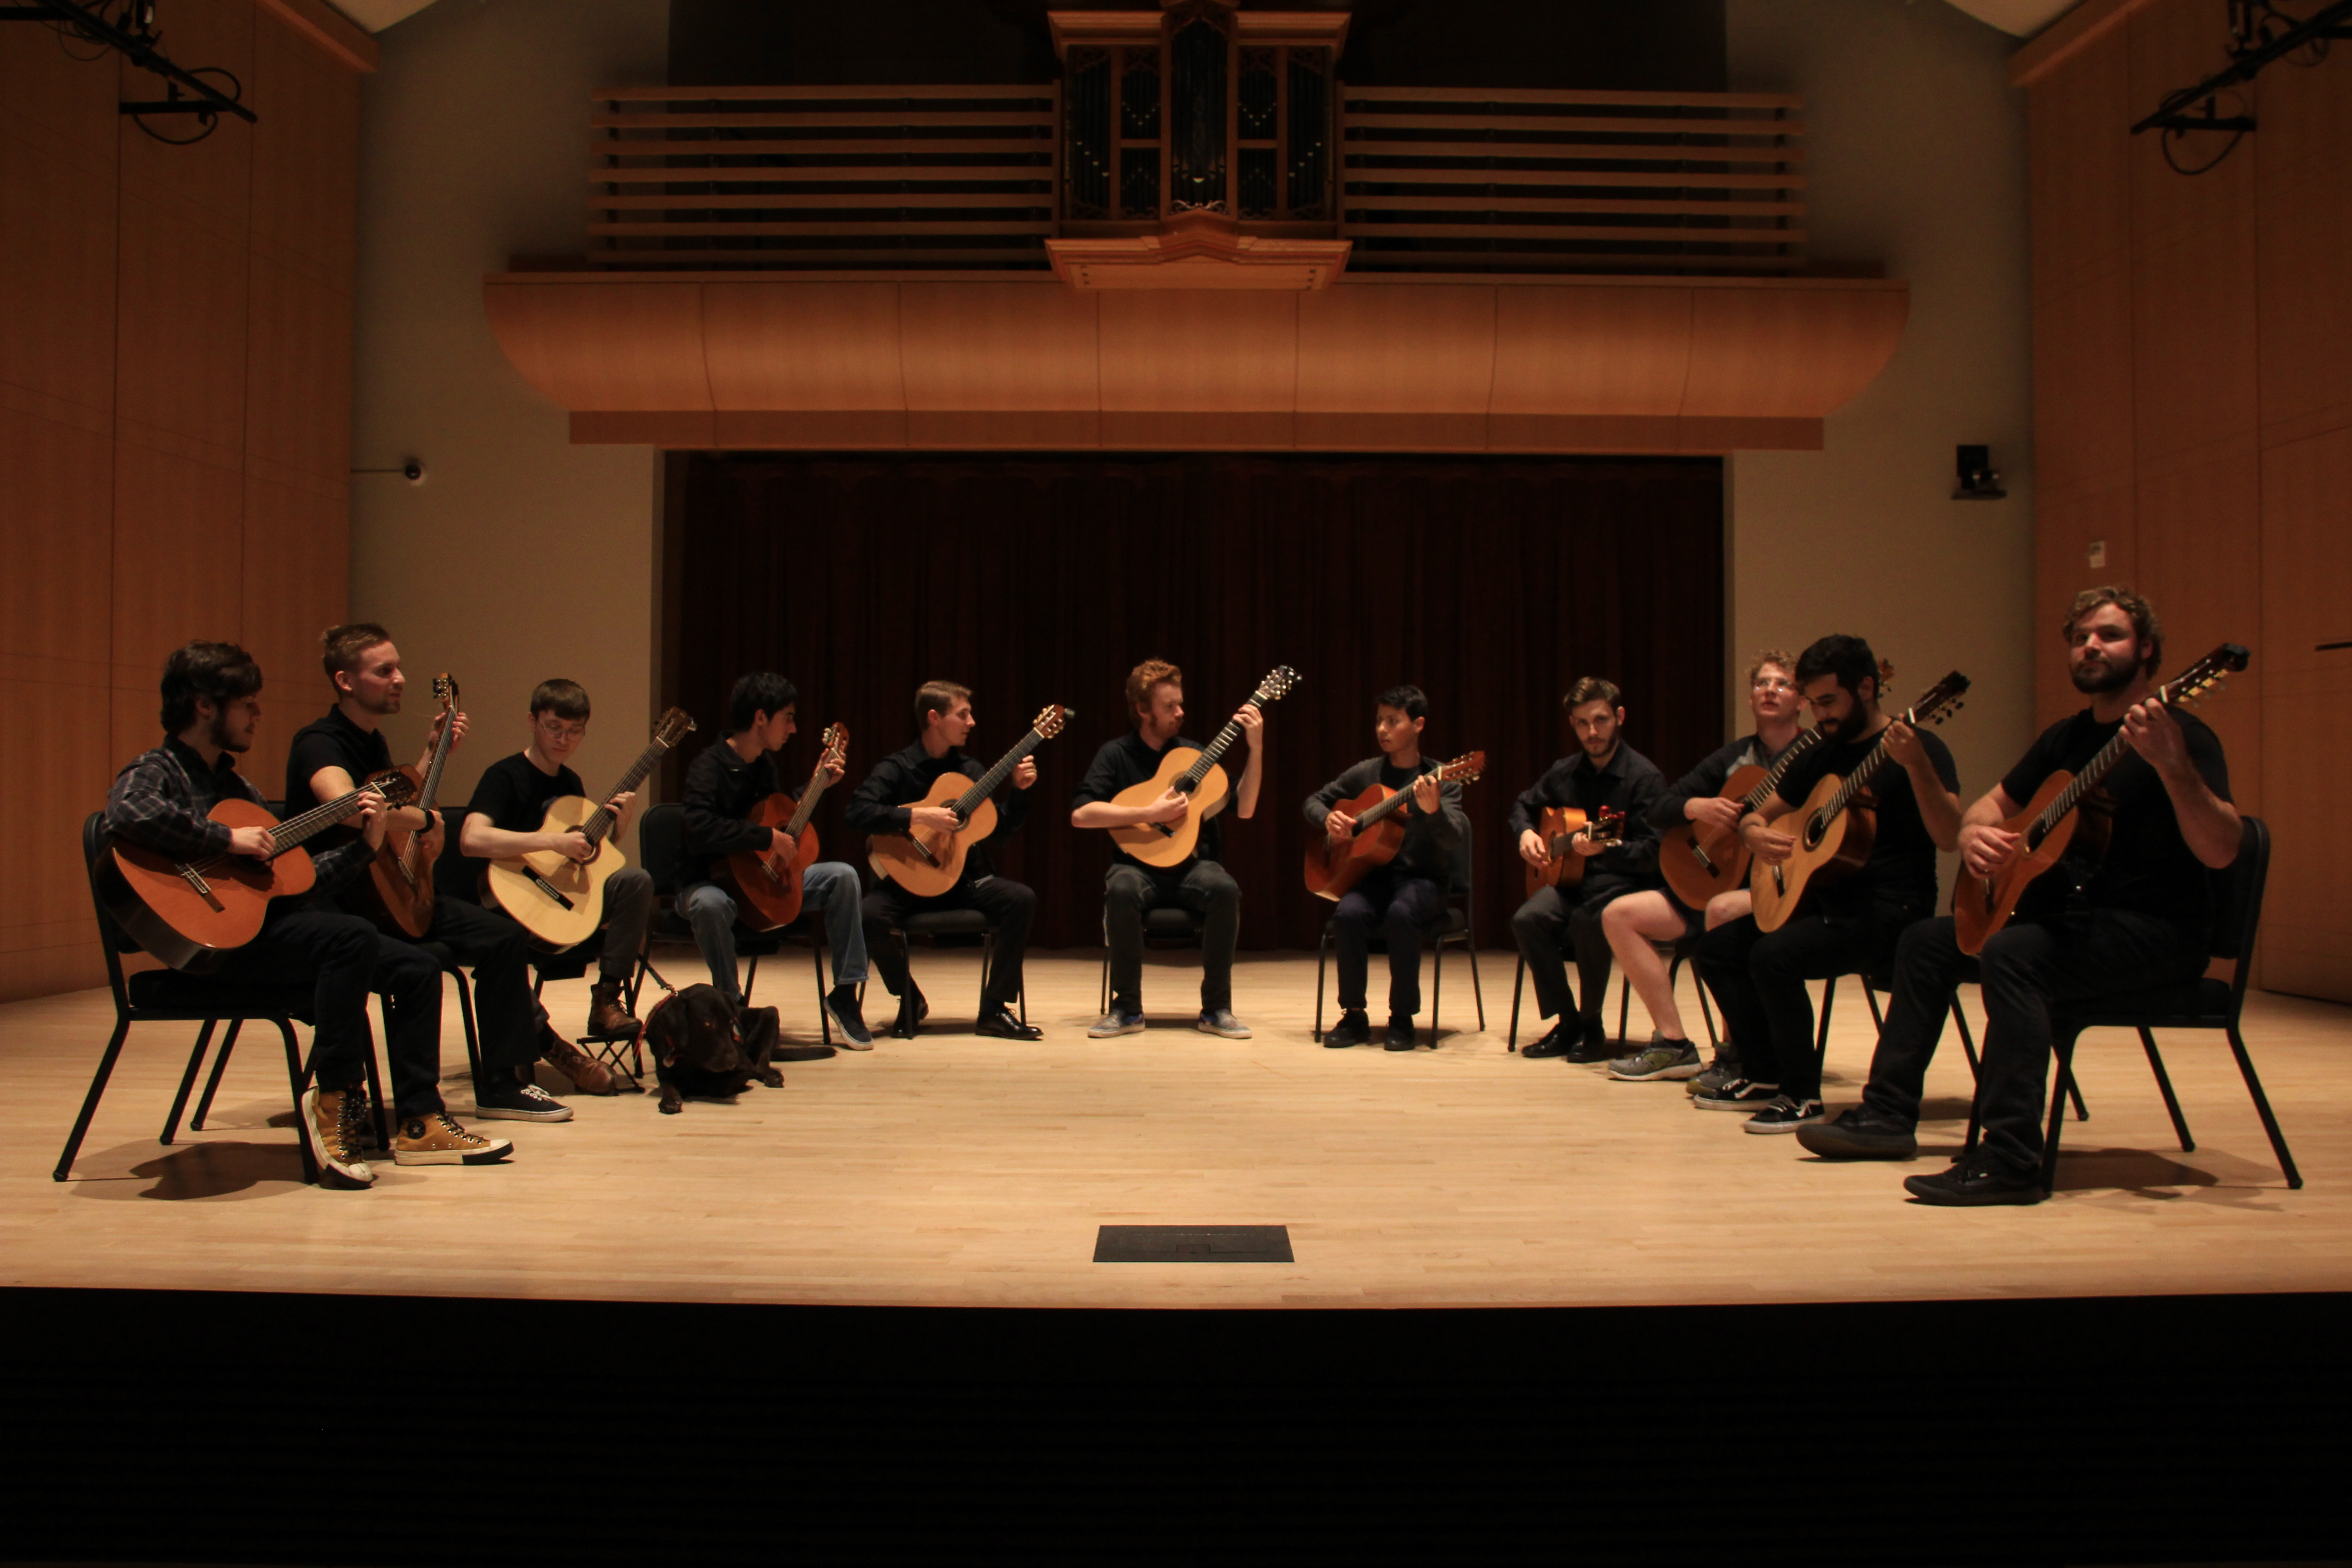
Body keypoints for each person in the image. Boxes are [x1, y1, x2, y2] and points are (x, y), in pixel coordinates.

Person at [1797, 588, 2239, 1205]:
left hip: (2156, 931)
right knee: (1926, 941)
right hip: (2074, 922)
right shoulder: (2067, 739)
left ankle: (2010, 1159)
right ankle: (1888, 1116)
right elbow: (1984, 811)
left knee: (2014, 954)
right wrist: (1979, 839)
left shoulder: (2185, 737)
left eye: (2108, 635)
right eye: (2080, 636)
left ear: (2147, 650)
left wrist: (2172, 767)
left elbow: (2222, 849)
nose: (2090, 645)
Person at [109, 641, 510, 1187]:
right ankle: (335, 1100)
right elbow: (127, 813)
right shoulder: (157, 771)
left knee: (416, 969)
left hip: (260, 934)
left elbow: (295, 881)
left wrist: (364, 847)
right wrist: (225, 838)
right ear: (205, 706)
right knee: (347, 938)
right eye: (246, 703)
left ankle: (420, 1123)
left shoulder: (238, 789)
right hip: (209, 953)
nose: (257, 714)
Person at [286, 623, 611, 1124]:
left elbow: (395, 802)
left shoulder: (373, 744)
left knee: (501, 938)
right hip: (344, 903)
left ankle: (504, 1084)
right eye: (385, 670)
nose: (400, 679)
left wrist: (430, 755)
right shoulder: (319, 741)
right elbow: (346, 808)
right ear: (346, 682)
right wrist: (425, 819)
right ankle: (406, 1107)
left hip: (391, 892)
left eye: (398, 667)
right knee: (423, 968)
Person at [1692, 634, 1960, 1133]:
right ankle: (1766, 1073)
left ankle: (1801, 1094)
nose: (1821, 715)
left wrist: (1918, 766)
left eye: (1829, 702)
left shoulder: (1920, 749)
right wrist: (1755, 836)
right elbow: (1757, 815)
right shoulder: (1820, 753)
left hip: (1890, 910)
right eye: (1813, 704)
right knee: (1716, 950)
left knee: (1774, 957)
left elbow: (1949, 836)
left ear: (1865, 688)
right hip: (1826, 904)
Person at [1602, 651, 1806, 1084]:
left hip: (1774, 889)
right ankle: (1674, 1043)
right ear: (1750, 699)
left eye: (1783, 684)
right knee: (1618, 915)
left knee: (1725, 911)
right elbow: (1660, 807)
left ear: (1803, 701)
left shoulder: (1814, 758)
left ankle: (1738, 1052)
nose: (1770, 691)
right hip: (1713, 881)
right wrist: (1697, 807)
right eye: (1762, 684)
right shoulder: (1731, 758)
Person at [439, 677, 654, 1066]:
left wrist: (618, 830)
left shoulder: (571, 783)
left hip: (557, 898)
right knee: (503, 945)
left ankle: (606, 1000)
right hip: (509, 904)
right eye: (554, 727)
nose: (563, 739)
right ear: (532, 721)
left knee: (635, 881)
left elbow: (581, 857)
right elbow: (472, 840)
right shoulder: (503, 776)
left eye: (574, 732)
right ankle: (547, 1042)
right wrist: (551, 843)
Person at [676, 671, 872, 1046]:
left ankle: (846, 995)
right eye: (788, 717)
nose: (794, 728)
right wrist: (765, 836)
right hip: (709, 881)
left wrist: (816, 785)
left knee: (842, 876)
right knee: (709, 905)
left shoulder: (764, 764)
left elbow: (777, 817)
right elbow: (699, 826)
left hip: (758, 881)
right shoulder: (709, 766)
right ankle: (730, 1006)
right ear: (761, 718)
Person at [1071, 659, 1264, 1039]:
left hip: (1193, 867)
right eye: (1170, 706)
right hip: (1137, 866)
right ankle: (1126, 1010)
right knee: (1121, 889)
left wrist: (1256, 750)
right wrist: (1150, 812)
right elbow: (1081, 814)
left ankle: (1216, 1009)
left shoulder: (1195, 755)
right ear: (1143, 711)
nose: (1181, 712)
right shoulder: (1116, 755)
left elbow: (1245, 808)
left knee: (1225, 889)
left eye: (1181, 703)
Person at [848, 680, 1042, 1040]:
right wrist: (920, 817)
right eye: (963, 714)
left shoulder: (970, 771)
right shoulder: (897, 768)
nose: (972, 722)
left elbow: (998, 832)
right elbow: (857, 812)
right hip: (905, 884)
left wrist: (1018, 792)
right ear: (934, 718)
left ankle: (995, 1009)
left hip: (961, 882)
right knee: (868, 915)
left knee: (1021, 898)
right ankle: (909, 1000)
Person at [1507, 677, 1667, 1061]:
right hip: (1571, 881)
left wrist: (1607, 849)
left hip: (1625, 886)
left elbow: (1654, 852)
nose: (1592, 732)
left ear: (1620, 717)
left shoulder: (1644, 778)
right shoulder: (1565, 771)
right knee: (1527, 919)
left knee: (1587, 920)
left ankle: (1592, 1023)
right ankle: (1568, 1020)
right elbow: (1523, 806)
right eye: (1582, 723)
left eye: (1600, 720)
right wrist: (1526, 833)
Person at [1302, 685, 1468, 1051]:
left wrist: (1434, 812)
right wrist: (1329, 818)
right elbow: (1313, 801)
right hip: (1372, 878)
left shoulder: (1444, 778)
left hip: (1423, 881)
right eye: (1380, 721)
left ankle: (1403, 1018)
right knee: (1348, 913)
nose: (1382, 730)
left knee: (1401, 913)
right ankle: (1354, 1015)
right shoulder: (1366, 773)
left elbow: (1454, 838)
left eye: (1394, 721)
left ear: (1419, 725)